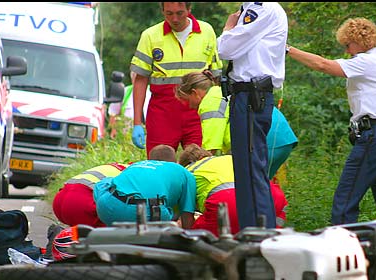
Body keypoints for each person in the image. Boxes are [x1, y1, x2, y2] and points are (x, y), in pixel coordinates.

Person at [286, 17, 376, 224]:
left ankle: (342, 249)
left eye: (348, 45)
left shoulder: (365, 62)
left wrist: (288, 50)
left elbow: (322, 65)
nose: (347, 51)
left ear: (359, 40)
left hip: (375, 135)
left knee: (346, 198)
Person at [217, 2, 288, 229]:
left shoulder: (259, 8)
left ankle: (259, 233)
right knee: (248, 169)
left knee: (249, 171)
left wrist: (228, 28)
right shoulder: (255, 8)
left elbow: (225, 49)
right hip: (248, 96)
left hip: (250, 97)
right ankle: (256, 230)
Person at [130, 2, 223, 157]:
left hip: (197, 111)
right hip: (162, 113)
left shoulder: (206, 32)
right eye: (169, 13)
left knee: (200, 163)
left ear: (189, 9)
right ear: (162, 11)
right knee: (159, 167)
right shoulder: (150, 36)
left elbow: (216, 78)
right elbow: (140, 79)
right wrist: (137, 123)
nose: (174, 19)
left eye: (179, 13)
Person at [175, 70, 298, 178]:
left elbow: (209, 150)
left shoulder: (210, 102)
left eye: (187, 100)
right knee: (261, 188)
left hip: (264, 140)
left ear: (195, 93)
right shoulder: (223, 91)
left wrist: (191, 172)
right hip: (281, 137)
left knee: (247, 189)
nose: (190, 106)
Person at [179, 144, 288, 236]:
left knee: (201, 237)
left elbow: (186, 214)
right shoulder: (231, 158)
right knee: (267, 238)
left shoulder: (189, 172)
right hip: (273, 196)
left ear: (186, 163)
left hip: (228, 202)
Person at [93, 145, 197, 228]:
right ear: (175, 162)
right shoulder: (183, 172)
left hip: (107, 206)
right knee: (169, 216)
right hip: (145, 213)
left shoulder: (136, 165)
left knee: (106, 183)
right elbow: (187, 216)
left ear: (150, 159)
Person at [52, 162, 130, 228]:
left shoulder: (118, 166)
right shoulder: (134, 173)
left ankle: (61, 238)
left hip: (60, 199)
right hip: (83, 202)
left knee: (80, 235)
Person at [107, 71, 152, 138]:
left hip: (148, 135)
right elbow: (113, 113)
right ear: (132, 78)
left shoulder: (152, 93)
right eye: (136, 78)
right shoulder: (124, 92)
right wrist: (113, 131)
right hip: (125, 137)